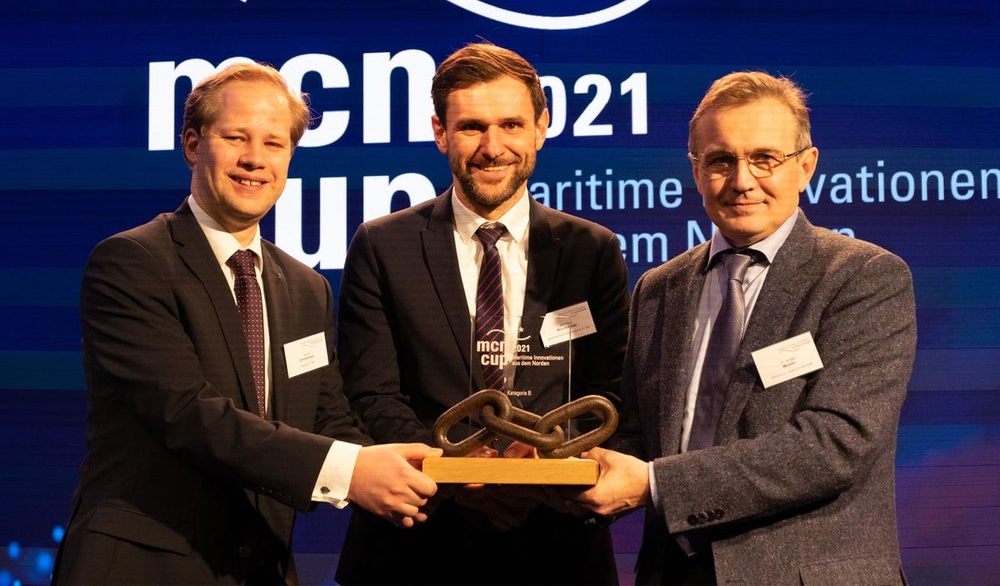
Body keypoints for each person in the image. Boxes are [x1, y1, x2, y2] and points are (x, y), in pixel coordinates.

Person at [53, 62, 440, 585]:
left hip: (259, 567)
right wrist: (350, 472)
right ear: (193, 144)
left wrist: (429, 466)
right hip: (145, 565)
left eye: (274, 143)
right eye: (236, 137)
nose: (255, 159)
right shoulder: (132, 262)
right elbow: (187, 413)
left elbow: (328, 419)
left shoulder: (305, 287)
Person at [570, 71, 917, 584]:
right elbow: (640, 435)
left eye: (764, 158)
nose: (742, 180)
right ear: (695, 171)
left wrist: (655, 484)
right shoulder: (659, 288)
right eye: (721, 160)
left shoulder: (864, 277)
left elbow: (835, 443)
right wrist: (557, 467)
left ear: (806, 167)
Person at [334, 42, 630, 585]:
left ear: (541, 128)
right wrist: (460, 474)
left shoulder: (593, 250)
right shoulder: (382, 245)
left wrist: (541, 466)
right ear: (440, 132)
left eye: (511, 125)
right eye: (471, 127)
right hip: (415, 544)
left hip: (557, 545)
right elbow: (371, 395)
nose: (492, 148)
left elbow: (608, 392)